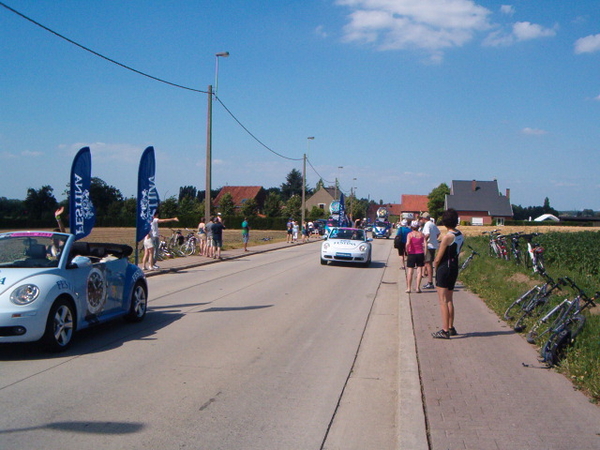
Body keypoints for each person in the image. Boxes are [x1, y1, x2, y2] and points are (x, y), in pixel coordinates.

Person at [432, 208, 464, 339]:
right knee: (450, 299)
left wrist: (435, 266)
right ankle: (451, 327)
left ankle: (444, 330)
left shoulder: (447, 237)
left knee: (442, 300)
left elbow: (439, 257)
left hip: (444, 267)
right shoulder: (459, 234)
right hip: (454, 266)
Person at [420, 212, 440, 289]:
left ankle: (430, 282)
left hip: (428, 246)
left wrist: (424, 241)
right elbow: (438, 233)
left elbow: (427, 234)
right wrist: (434, 239)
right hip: (433, 245)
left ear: (424, 218)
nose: (421, 220)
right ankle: (430, 281)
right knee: (429, 263)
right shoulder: (432, 224)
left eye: (422, 218)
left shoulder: (427, 224)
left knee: (428, 264)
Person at [405, 220, 425, 294]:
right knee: (419, 271)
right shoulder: (422, 234)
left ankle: (409, 288)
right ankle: (417, 288)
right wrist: (424, 253)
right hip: (420, 253)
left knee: (410, 271)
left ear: (412, 227)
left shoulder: (410, 234)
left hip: (412, 253)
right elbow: (425, 245)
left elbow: (407, 244)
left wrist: (407, 251)